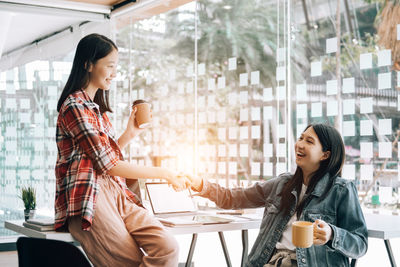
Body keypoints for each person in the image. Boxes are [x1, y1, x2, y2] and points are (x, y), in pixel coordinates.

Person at [55, 33, 186, 267]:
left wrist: (129, 135)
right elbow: (108, 165)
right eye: (110, 65)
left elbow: (102, 159)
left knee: (168, 247)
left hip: (116, 191)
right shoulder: (74, 106)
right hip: (90, 199)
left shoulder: (99, 112)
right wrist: (164, 173)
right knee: (131, 263)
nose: (115, 73)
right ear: (88, 64)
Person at [187, 123, 368, 267]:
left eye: (309, 141)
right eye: (300, 138)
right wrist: (201, 185)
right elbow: (233, 198)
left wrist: (331, 234)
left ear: (325, 155)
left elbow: (360, 244)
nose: (300, 144)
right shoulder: (282, 184)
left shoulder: (341, 190)